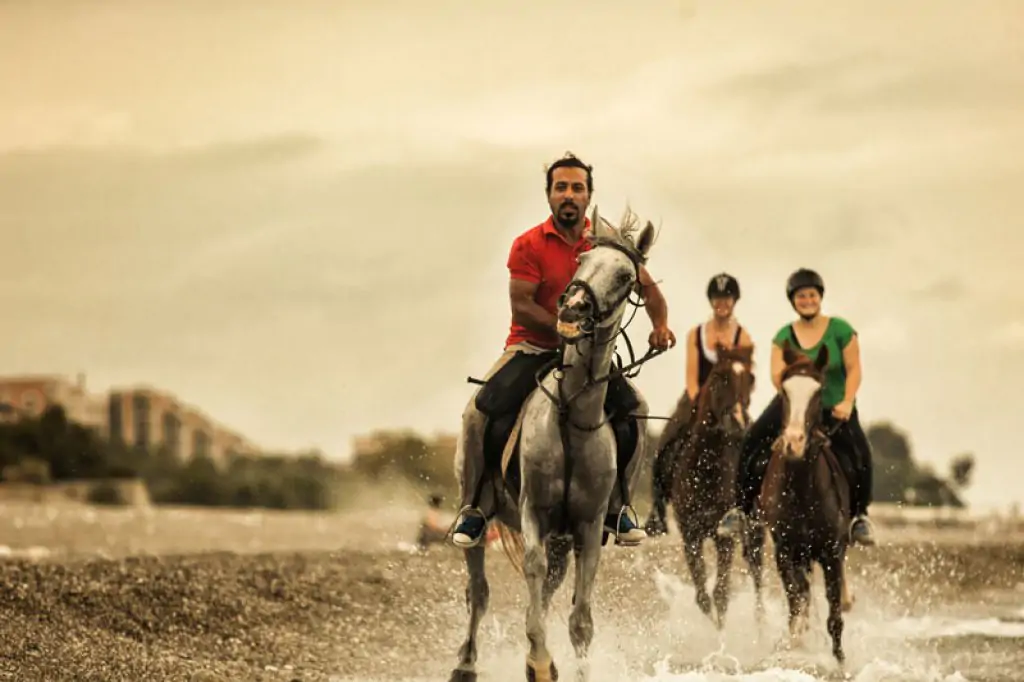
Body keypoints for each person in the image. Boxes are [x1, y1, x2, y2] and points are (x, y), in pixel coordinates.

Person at [450, 152, 677, 549]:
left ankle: (619, 507)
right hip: (532, 347)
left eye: (577, 188)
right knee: (476, 412)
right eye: (561, 188)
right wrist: (563, 329)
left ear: (589, 195)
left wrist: (660, 325)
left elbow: (649, 289)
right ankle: (474, 506)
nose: (569, 195)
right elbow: (521, 305)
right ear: (549, 195)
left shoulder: (605, 245)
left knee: (636, 408)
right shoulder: (528, 245)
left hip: (588, 356)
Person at [717, 268, 877, 546]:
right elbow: (777, 374)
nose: (807, 300)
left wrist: (848, 400)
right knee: (752, 440)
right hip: (793, 404)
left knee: (860, 451)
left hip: (835, 407)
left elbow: (854, 370)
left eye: (811, 295)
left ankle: (859, 517)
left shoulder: (841, 330)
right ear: (793, 300)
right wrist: (796, 405)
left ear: (820, 297)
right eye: (801, 296)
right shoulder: (784, 336)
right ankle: (740, 510)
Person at [644, 273, 754, 536]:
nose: (722, 303)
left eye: (726, 298)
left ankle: (751, 509)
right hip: (698, 397)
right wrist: (700, 403)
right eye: (717, 299)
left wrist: (738, 405)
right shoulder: (697, 333)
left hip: (732, 400)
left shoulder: (743, 336)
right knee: (667, 440)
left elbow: (746, 379)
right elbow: (692, 377)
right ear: (711, 301)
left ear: (734, 301)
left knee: (752, 445)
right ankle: (658, 510)